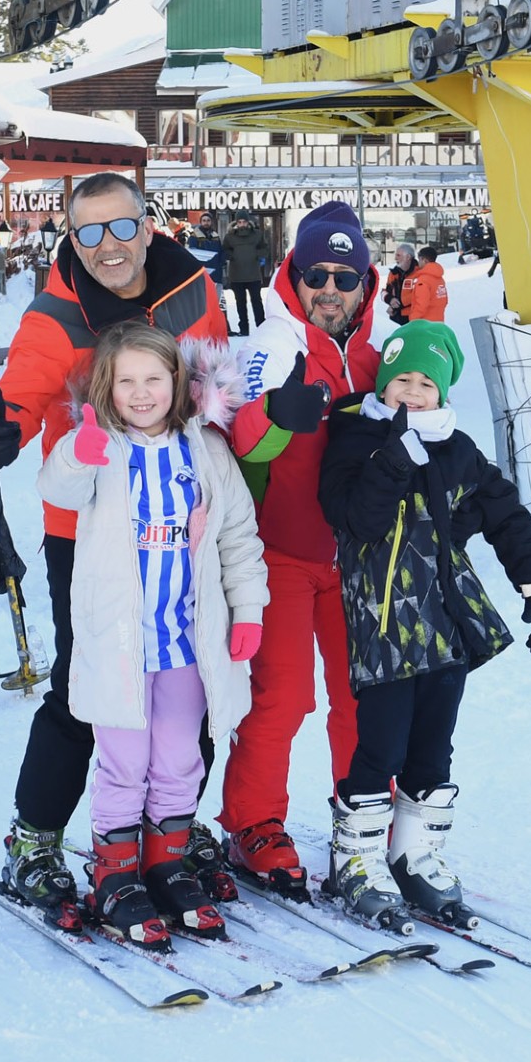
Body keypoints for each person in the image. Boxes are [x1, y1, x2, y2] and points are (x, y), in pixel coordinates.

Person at [0, 171, 231, 917]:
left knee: (191, 681)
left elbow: (214, 390)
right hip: (91, 531)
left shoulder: (194, 291)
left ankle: (163, 836)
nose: (107, 247)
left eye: (120, 228)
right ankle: (35, 838)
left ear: (147, 226)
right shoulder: (57, 314)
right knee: (90, 690)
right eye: (88, 233)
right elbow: (15, 395)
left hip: (183, 523)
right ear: (71, 241)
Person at [317, 320, 531, 926]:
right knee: (381, 745)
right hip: (384, 622)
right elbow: (356, 520)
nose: (413, 392)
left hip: (447, 622)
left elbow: (505, 514)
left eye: (428, 383)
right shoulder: (354, 436)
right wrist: (394, 457)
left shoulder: (457, 448)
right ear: (384, 383)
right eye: (402, 379)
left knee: (433, 746)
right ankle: (357, 858)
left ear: (444, 393)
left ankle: (414, 855)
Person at [38, 324, 268, 945]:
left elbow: (239, 539)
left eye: (154, 380)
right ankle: (115, 874)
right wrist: (76, 451)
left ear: (179, 384)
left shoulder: (206, 451)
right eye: (127, 381)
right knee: (124, 765)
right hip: (120, 646)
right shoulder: (99, 446)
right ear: (108, 388)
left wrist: (247, 613)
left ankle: (166, 862)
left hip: (187, 644)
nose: (141, 394)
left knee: (178, 758)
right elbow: (56, 488)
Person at [218, 200, 380, 899]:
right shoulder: (273, 344)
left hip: (357, 558)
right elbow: (244, 439)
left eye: (346, 277)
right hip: (280, 551)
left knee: (363, 695)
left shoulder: (383, 350)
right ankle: (253, 823)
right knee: (282, 698)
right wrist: (277, 414)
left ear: (366, 283)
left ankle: (363, 814)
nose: (330, 290)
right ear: (295, 272)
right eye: (317, 273)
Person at [222, 211, 272, 335]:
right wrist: (232, 256)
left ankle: (261, 327)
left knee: (257, 301)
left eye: (244, 221)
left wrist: (257, 255)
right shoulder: (230, 237)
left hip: (253, 274)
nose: (242, 224)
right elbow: (225, 250)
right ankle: (244, 329)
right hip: (236, 275)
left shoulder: (257, 235)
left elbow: (265, 248)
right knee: (240, 303)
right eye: (239, 222)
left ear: (248, 222)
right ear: (236, 223)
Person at [399, 241, 449, 323]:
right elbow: (445, 301)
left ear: (424, 260)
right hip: (439, 322)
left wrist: (413, 320)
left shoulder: (423, 280)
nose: (418, 263)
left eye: (419, 260)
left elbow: (421, 304)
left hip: (424, 324)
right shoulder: (440, 279)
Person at [383, 244, 415, 324]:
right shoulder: (393, 273)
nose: (395, 258)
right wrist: (390, 300)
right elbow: (385, 291)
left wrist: (396, 306)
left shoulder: (419, 273)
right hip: (395, 318)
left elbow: (418, 296)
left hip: (412, 318)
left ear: (408, 257)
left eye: (398, 255)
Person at [185, 216, 223, 280]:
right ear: (201, 222)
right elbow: (191, 255)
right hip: (201, 272)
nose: (206, 222)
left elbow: (221, 251)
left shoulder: (216, 236)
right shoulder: (194, 237)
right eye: (204, 220)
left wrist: (221, 262)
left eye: (208, 220)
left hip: (216, 272)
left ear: (211, 222)